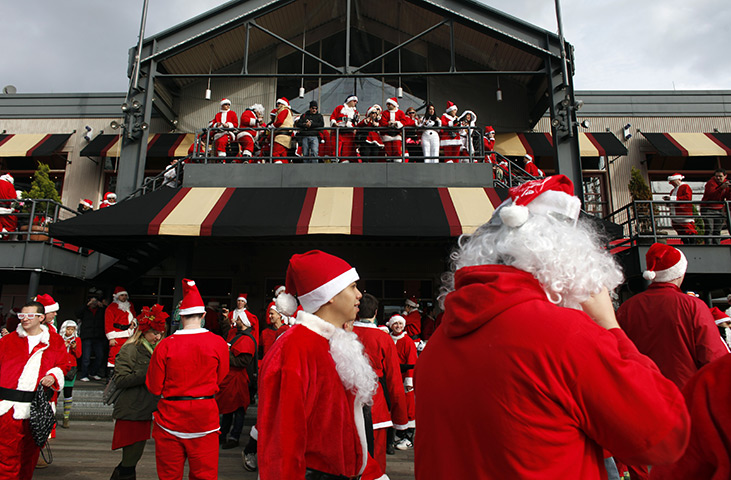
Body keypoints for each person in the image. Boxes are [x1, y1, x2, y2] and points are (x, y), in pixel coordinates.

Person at [415, 175, 691, 479]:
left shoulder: (439, 342)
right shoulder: (566, 336)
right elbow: (664, 438)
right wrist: (610, 326)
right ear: (569, 258)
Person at [257, 250, 378, 478]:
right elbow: (282, 443)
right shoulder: (294, 348)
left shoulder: (331, 342)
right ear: (330, 294)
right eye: (352, 286)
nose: (359, 295)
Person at [146, 279, 229, 480]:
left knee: (168, 476)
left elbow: (154, 387)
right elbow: (222, 377)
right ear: (203, 315)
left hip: (170, 418)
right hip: (205, 418)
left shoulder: (165, 345)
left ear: (180, 316)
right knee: (205, 476)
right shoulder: (218, 342)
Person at [617, 243, 729, 389]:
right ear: (680, 273)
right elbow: (711, 355)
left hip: (642, 390)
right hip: (685, 392)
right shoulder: (693, 305)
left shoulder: (627, 308)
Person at [0, 301, 66, 480]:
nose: (25, 319)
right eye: (22, 316)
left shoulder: (55, 341)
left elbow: (63, 364)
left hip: (36, 408)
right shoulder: (8, 340)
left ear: (41, 318)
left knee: (30, 456)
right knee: (5, 456)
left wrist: (53, 375)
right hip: (7, 407)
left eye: (30, 315)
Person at [649, 352, 731, 479]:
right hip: (686, 393)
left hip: (659, 400)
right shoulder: (718, 376)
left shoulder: (716, 376)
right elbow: (710, 353)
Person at [110, 305, 166, 480]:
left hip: (145, 409)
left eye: (160, 333)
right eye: (154, 333)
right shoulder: (130, 349)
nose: (157, 337)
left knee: (134, 457)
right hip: (131, 409)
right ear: (143, 332)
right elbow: (121, 379)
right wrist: (151, 371)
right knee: (130, 459)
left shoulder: (157, 350)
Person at [353, 294, 409, 471]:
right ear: (376, 312)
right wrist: (400, 418)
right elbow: (394, 380)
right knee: (375, 464)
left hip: (349, 402)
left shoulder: (345, 333)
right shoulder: (383, 338)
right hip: (376, 405)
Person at [216, 312, 256, 450]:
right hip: (232, 379)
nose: (236, 320)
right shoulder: (238, 335)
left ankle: (234, 437)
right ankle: (223, 435)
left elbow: (242, 361)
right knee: (228, 408)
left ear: (244, 322)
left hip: (238, 380)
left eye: (239, 319)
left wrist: (227, 353)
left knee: (238, 410)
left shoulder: (247, 340)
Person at [387, 314, 417, 451]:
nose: (398, 326)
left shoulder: (408, 341)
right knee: (396, 405)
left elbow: (412, 362)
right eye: (395, 324)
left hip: (404, 377)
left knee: (408, 405)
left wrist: (409, 380)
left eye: (400, 324)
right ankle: (398, 433)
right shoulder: (388, 338)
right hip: (392, 377)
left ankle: (408, 437)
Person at [105, 286, 137, 378]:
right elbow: (108, 323)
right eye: (122, 295)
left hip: (129, 334)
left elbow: (134, 316)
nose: (124, 297)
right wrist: (111, 338)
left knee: (127, 354)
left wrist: (133, 323)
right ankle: (111, 377)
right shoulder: (111, 308)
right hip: (117, 334)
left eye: (125, 295)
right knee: (114, 356)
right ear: (117, 296)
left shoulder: (130, 305)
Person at [77, 289, 107, 382]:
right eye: (92, 302)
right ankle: (84, 374)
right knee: (86, 357)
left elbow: (108, 314)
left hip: (98, 336)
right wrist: (86, 305)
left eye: (95, 302)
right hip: (87, 336)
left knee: (100, 356)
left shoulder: (101, 310)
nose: (94, 304)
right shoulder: (85, 310)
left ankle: (93, 372)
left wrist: (103, 306)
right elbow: (77, 314)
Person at [662, 173, 697, 244]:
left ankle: (692, 244)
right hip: (676, 214)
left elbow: (687, 198)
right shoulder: (673, 190)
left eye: (673, 182)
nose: (672, 184)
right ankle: (686, 243)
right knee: (681, 231)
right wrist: (668, 201)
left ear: (678, 180)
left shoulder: (685, 187)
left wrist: (672, 199)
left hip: (683, 213)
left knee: (688, 230)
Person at [59, 320, 82, 429]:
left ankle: (66, 417)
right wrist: (64, 346)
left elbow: (79, 355)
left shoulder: (77, 340)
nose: (70, 331)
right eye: (68, 329)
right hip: (60, 367)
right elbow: (57, 353)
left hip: (71, 367)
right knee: (56, 393)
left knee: (68, 393)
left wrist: (74, 348)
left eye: (72, 329)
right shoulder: (59, 339)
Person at [701, 169, 730, 244]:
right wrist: (721, 188)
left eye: (720, 176)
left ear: (725, 176)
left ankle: (717, 245)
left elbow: (728, 196)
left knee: (717, 230)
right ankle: (709, 246)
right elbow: (711, 195)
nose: (718, 178)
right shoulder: (710, 183)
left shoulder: (726, 184)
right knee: (709, 229)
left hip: (719, 209)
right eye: (716, 176)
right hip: (708, 208)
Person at [380, 97, 414, 162]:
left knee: (397, 149)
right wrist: (388, 124)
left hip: (397, 134)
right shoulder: (385, 113)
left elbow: (403, 122)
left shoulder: (400, 113)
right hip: (387, 135)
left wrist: (397, 123)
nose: (388, 106)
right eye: (387, 104)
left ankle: (397, 161)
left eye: (389, 104)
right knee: (388, 150)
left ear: (393, 105)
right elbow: (382, 122)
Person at [330, 95, 360, 162]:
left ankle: (345, 160)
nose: (355, 103)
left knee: (348, 148)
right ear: (350, 101)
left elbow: (356, 123)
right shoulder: (340, 108)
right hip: (339, 131)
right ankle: (335, 159)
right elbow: (332, 117)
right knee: (337, 146)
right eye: (354, 101)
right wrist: (335, 123)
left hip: (349, 132)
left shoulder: (355, 112)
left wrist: (357, 120)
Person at [0, 173, 18, 238]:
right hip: (5, 210)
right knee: (12, 224)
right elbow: (13, 198)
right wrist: (12, 208)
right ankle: (4, 233)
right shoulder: (9, 185)